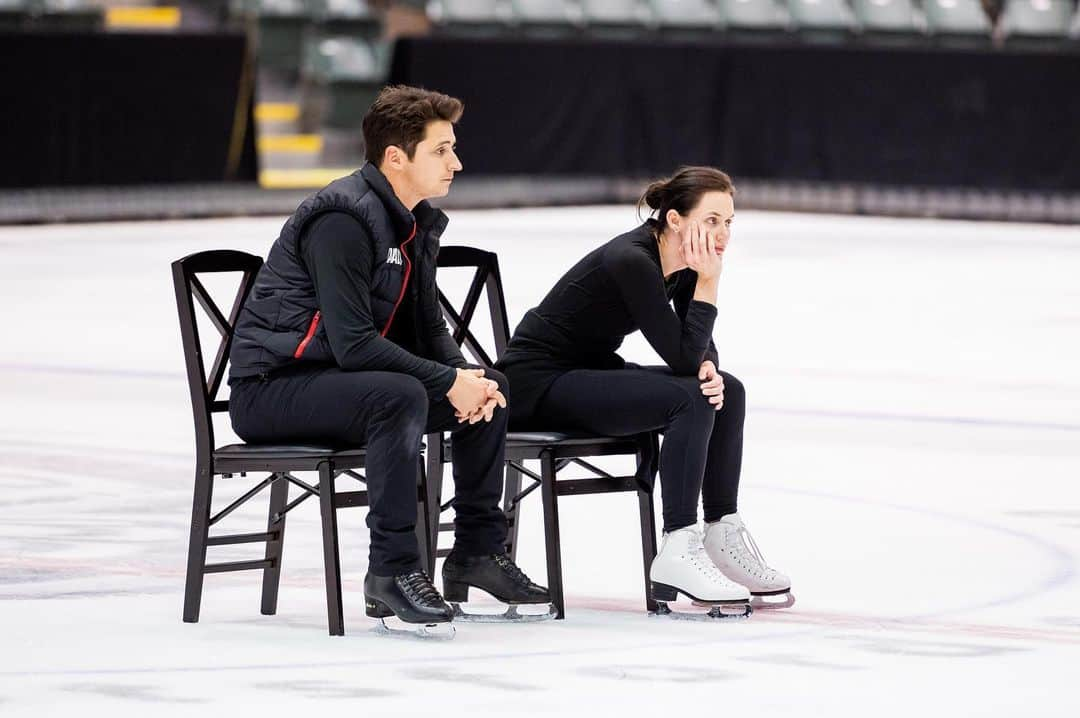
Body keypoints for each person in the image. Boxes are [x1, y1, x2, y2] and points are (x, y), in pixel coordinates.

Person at [227, 85, 548, 632]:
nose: (457, 162)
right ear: (396, 158)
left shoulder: (413, 219)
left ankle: (476, 552)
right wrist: (445, 380)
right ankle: (393, 570)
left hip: (338, 383)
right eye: (441, 150)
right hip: (273, 388)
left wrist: (464, 378)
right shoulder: (342, 218)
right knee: (396, 396)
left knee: (491, 386)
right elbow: (354, 344)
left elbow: (427, 328)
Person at [496, 166, 792, 614]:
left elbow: (696, 349)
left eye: (728, 222)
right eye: (711, 220)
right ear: (675, 220)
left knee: (727, 391)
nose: (723, 234)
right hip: (538, 384)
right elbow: (681, 356)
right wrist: (710, 287)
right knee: (688, 396)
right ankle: (677, 544)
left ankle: (719, 532)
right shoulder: (632, 258)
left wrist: (708, 366)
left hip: (586, 372)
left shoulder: (685, 262)